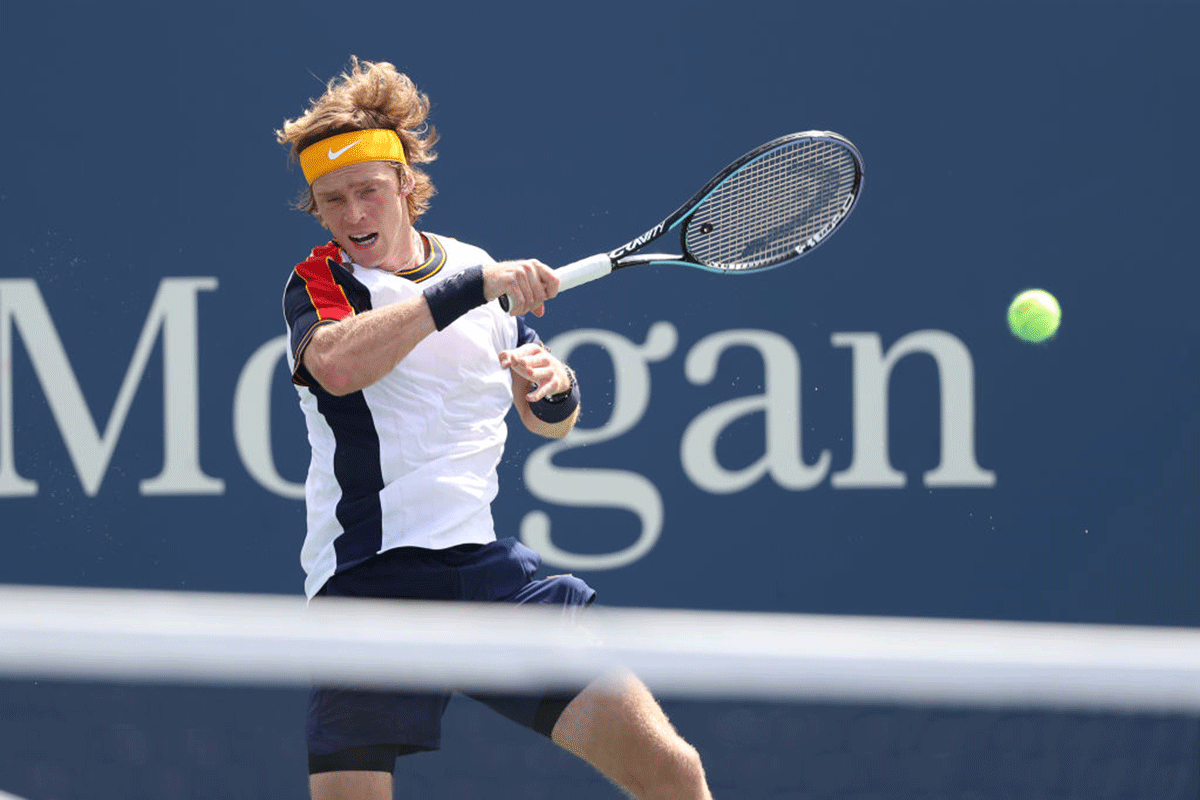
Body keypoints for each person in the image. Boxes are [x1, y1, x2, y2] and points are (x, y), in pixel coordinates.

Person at [276, 57, 713, 800]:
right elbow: (340, 368)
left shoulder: (475, 267)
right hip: (370, 586)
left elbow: (550, 422)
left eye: (368, 193)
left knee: (674, 773)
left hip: (486, 576)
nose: (352, 217)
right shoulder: (325, 282)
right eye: (332, 201)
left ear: (407, 188)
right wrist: (471, 289)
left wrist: (553, 386)